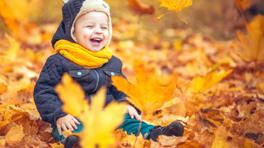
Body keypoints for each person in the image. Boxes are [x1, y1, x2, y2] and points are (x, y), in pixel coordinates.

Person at [33, 0, 184, 147]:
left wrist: (127, 104)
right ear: (72, 31)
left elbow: (120, 88)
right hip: (75, 117)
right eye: (90, 26)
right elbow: (44, 92)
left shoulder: (111, 62)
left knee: (131, 121)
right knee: (69, 130)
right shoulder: (58, 61)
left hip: (108, 114)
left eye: (104, 27)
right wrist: (60, 115)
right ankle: (80, 142)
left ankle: (157, 133)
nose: (98, 31)